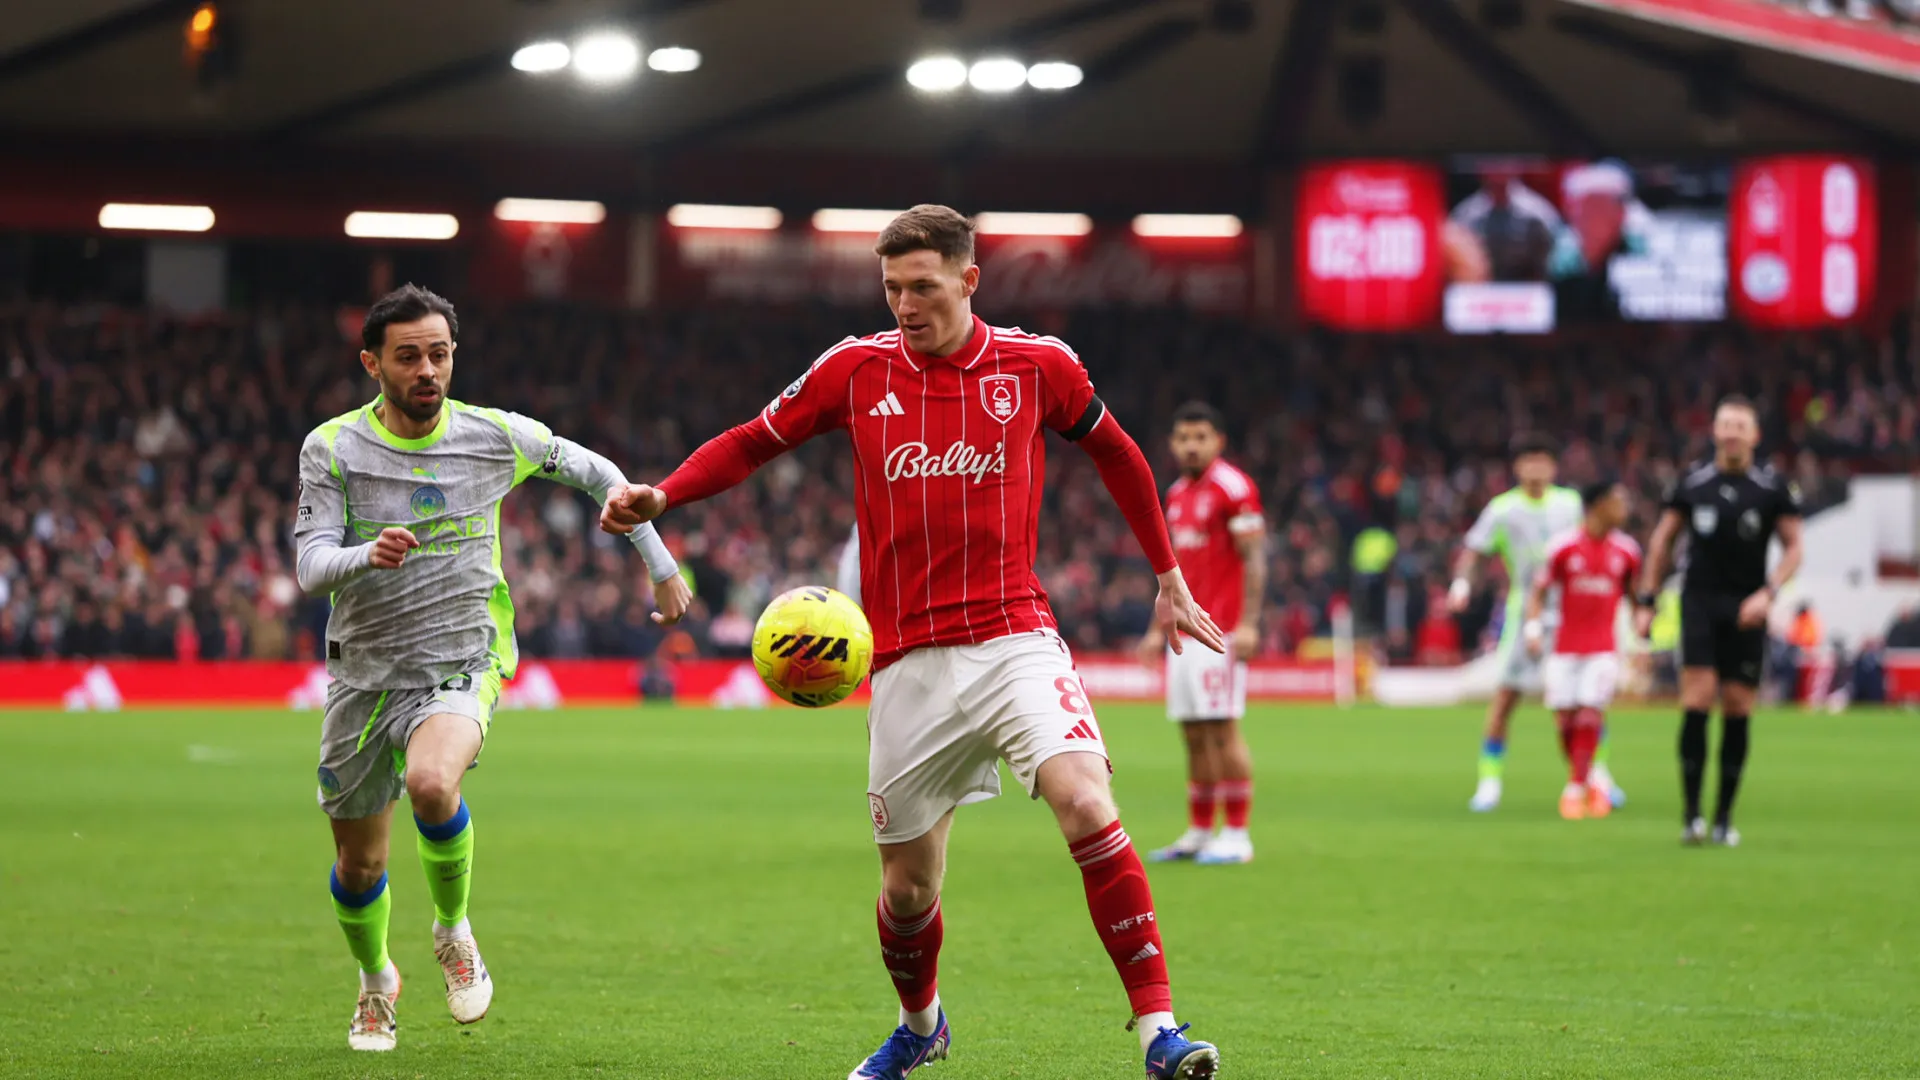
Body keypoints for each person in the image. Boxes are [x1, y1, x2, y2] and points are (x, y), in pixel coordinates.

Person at [600, 205, 1225, 1080]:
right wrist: (664, 496)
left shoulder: (1038, 366)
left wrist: (1167, 573)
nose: (904, 304)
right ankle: (920, 1024)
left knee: (1086, 801)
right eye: (891, 287)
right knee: (907, 890)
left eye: (923, 287)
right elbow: (752, 441)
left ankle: (1160, 1030)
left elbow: (1119, 454)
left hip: (1015, 636)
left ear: (970, 281)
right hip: (903, 662)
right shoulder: (854, 370)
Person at [294, 284, 692, 1052]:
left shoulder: (495, 436)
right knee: (358, 863)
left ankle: (452, 931)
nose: (426, 370)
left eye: (438, 354)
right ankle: (376, 978)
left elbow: (599, 473)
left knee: (432, 784)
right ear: (372, 362)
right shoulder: (333, 447)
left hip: (462, 659)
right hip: (364, 675)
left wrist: (659, 559)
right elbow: (311, 565)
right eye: (408, 356)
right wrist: (363, 557)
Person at [1635, 394, 1805, 847]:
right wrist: (1647, 599)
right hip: (1699, 601)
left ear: (1754, 435)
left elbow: (1794, 548)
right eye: (1724, 424)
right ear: (1714, 431)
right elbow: (1662, 542)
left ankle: (1724, 817)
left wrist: (1768, 593)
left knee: (1737, 705)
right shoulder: (1693, 482)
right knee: (1697, 695)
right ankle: (1691, 815)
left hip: (1747, 605)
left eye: (1739, 425)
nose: (1731, 432)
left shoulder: (1771, 488)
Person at [1448, 434, 1624, 812]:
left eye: (1542, 460)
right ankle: (1489, 782)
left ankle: (1597, 775)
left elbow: (1600, 539)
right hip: (1526, 610)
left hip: (1575, 612)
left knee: (1588, 700)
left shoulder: (1570, 504)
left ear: (1553, 466)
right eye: (1528, 461)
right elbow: (1474, 551)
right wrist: (1462, 584)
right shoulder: (1502, 509)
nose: (1535, 468)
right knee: (1506, 697)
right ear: (1517, 467)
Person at [1137, 401, 1265, 866]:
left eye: (1200, 437)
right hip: (1184, 636)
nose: (1191, 446)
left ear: (1219, 441)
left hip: (1222, 631)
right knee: (1191, 732)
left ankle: (1237, 833)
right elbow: (1175, 571)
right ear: (1172, 444)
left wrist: (1250, 623)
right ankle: (1198, 830)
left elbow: (1254, 558)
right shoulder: (1174, 495)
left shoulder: (1234, 488)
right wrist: (1158, 628)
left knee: (1222, 729)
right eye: (1183, 438)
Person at [1524, 480, 1641, 821]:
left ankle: (1574, 789)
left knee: (1590, 714)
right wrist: (1532, 630)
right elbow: (1539, 592)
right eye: (1618, 501)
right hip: (1563, 647)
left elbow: (1634, 598)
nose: (1625, 509)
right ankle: (1595, 781)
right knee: (1565, 722)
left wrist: (1640, 638)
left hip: (1603, 649)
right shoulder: (1562, 548)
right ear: (1598, 505)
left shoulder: (1627, 551)